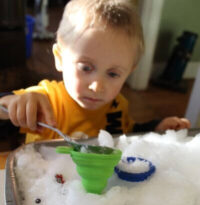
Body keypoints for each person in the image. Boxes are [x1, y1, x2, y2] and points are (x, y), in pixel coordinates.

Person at [0, 0, 190, 144]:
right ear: (59, 58)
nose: (97, 86)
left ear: (129, 72)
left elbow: (127, 133)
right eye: (86, 68)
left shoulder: (118, 105)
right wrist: (12, 105)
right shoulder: (46, 100)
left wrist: (155, 128)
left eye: (113, 74)